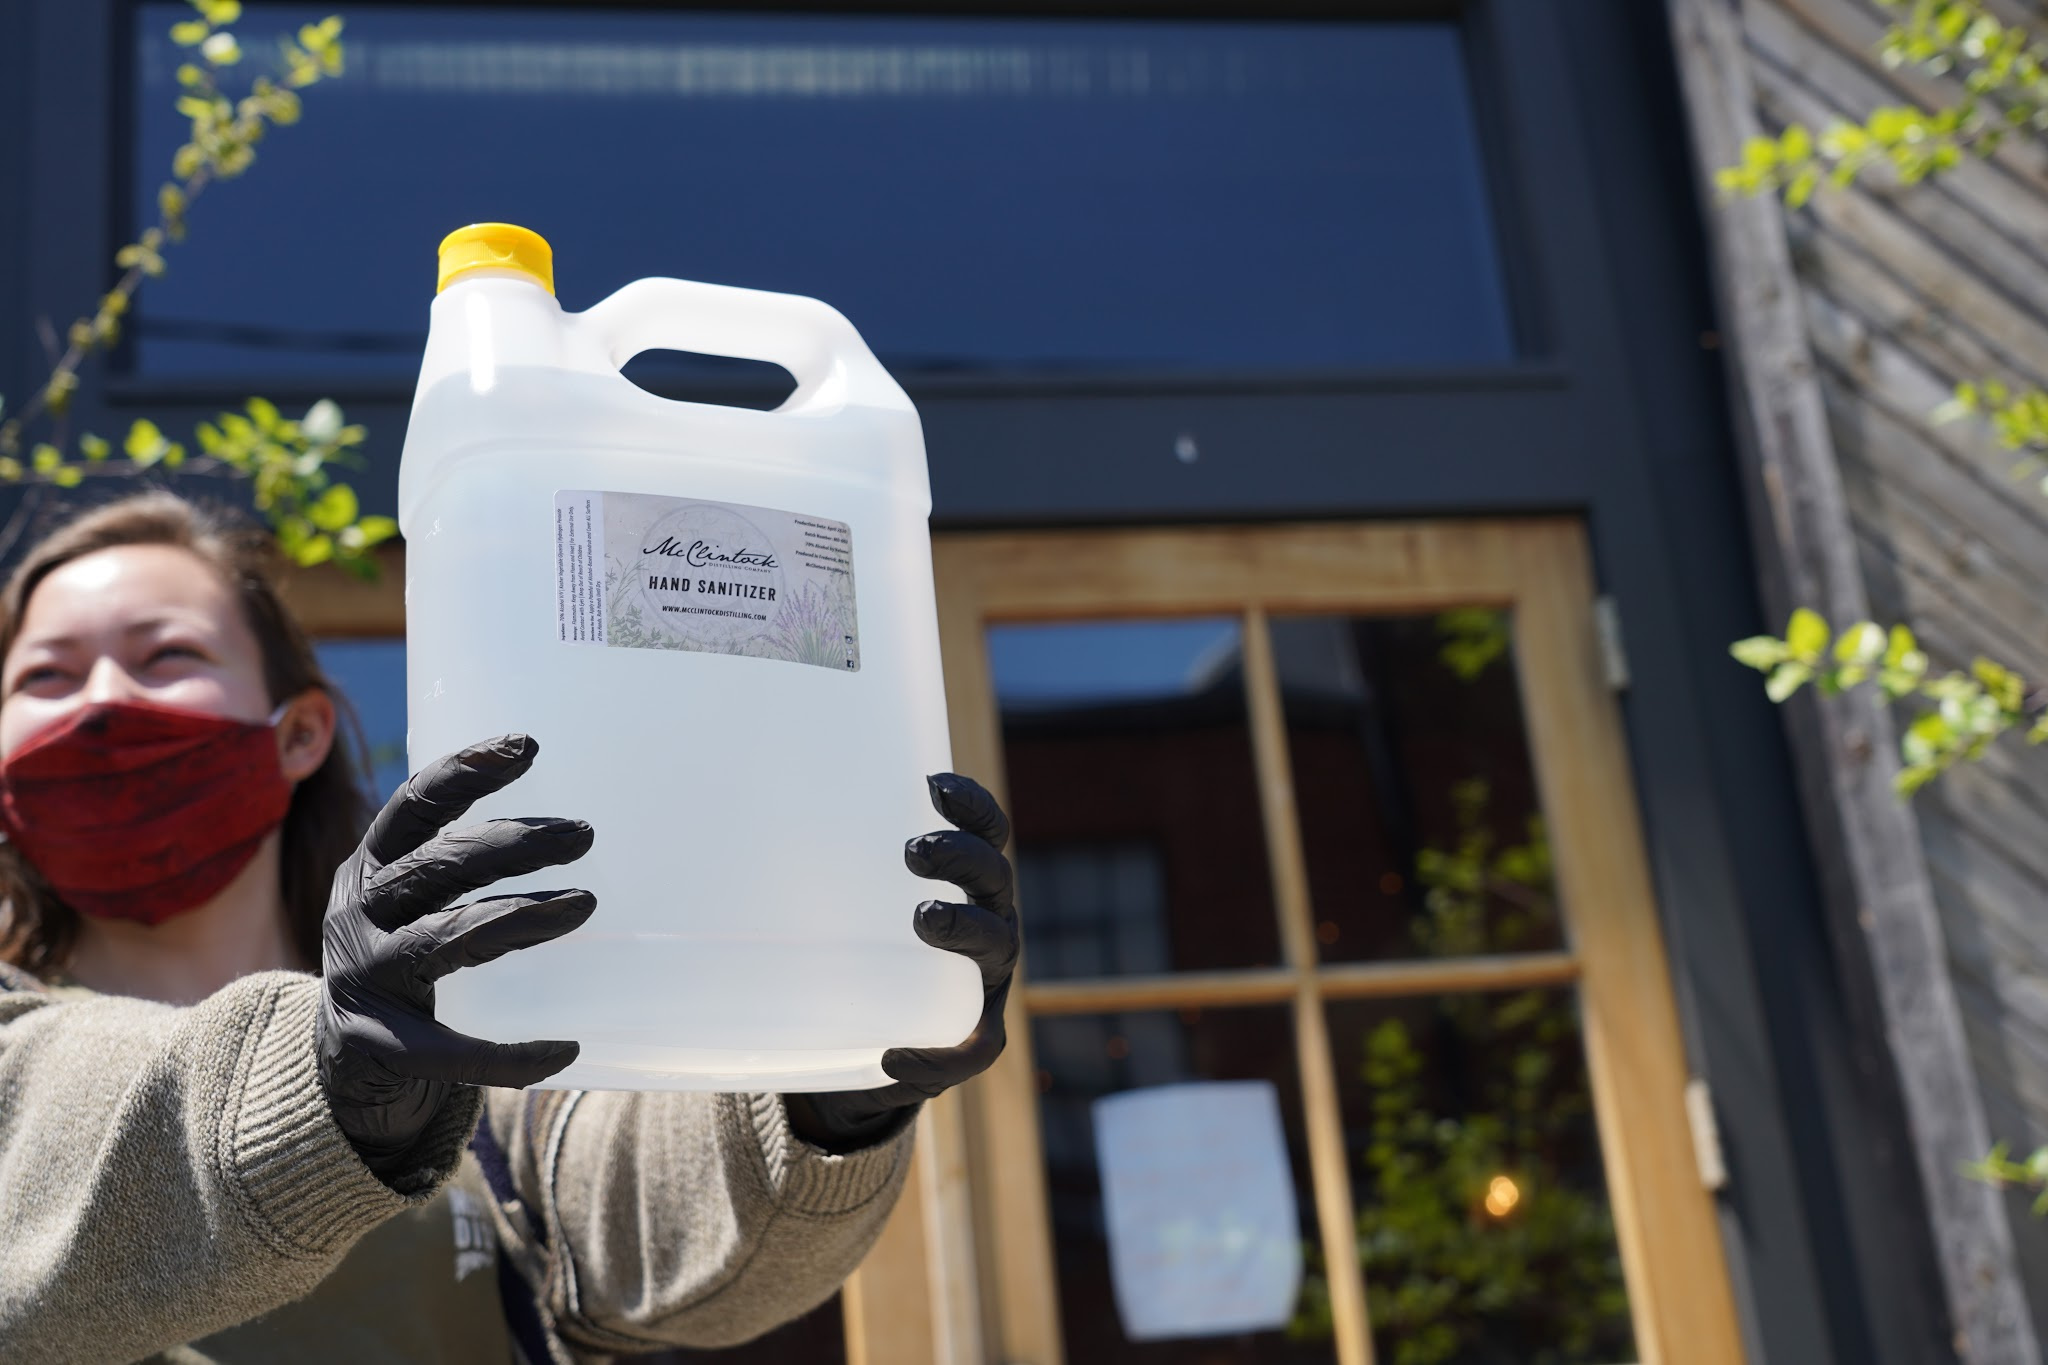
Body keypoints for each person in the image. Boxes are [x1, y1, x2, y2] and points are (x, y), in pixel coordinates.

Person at [0, 492, 1019, 1364]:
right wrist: (315, 1080)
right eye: (46, 676)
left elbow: (657, 1233)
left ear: (300, 732)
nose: (103, 703)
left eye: (165, 655)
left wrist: (822, 1098)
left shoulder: (473, 1036)